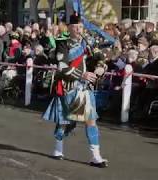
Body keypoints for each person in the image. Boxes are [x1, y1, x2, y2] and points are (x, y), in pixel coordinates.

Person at [43, 12, 108, 168]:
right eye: (76, 26)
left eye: (81, 26)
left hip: (85, 88)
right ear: (69, 27)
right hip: (69, 87)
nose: (79, 29)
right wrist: (82, 75)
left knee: (90, 121)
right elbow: (62, 67)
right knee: (65, 122)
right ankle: (58, 148)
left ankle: (96, 156)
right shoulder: (62, 42)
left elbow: (99, 57)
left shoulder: (87, 41)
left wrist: (100, 67)